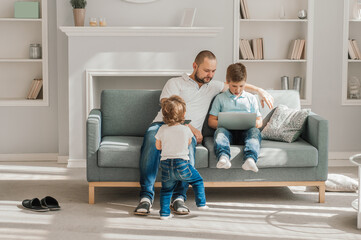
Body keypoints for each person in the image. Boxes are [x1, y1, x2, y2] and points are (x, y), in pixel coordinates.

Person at [134, 50, 273, 216]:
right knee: (151, 139)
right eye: (207, 70)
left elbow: (235, 84)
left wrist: (259, 90)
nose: (210, 75)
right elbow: (166, 108)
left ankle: (179, 198)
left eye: (213, 71)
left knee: (188, 150)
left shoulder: (212, 86)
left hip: (187, 134)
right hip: (162, 125)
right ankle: (146, 198)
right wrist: (189, 126)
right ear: (195, 66)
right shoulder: (175, 82)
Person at [155, 95, 208, 219]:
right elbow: (189, 142)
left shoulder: (162, 129)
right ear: (183, 115)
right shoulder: (185, 129)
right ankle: (201, 203)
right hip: (182, 164)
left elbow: (158, 146)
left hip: (166, 165)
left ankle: (164, 214)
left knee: (166, 190)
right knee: (197, 181)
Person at [208, 63, 262, 172]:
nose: (237, 90)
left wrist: (254, 123)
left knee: (255, 132)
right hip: (227, 134)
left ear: (245, 83)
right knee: (220, 132)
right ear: (227, 82)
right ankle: (223, 157)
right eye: (234, 86)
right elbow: (211, 121)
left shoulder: (251, 98)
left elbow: (259, 121)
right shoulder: (220, 98)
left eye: (241, 86)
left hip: (246, 134)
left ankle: (250, 159)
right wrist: (225, 123)